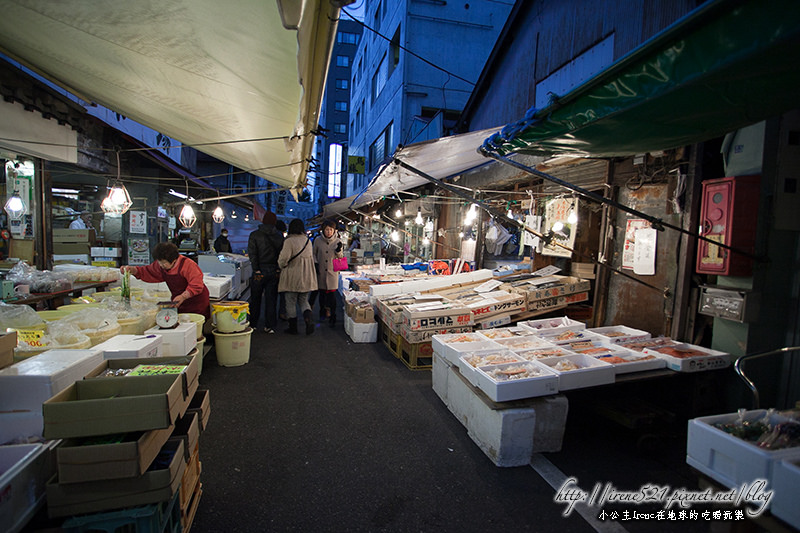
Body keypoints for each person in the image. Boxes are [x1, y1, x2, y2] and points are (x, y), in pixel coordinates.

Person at [120, 242, 210, 319]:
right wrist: (133, 270)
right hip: (178, 302)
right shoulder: (160, 265)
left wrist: (183, 296)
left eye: (164, 263)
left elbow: (197, 285)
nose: (161, 265)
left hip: (196, 303)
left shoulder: (188, 265)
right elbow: (148, 272)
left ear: (174, 260)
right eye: (159, 262)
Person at [277, 218, 318, 335]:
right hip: (306, 276)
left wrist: (281, 266)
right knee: (304, 301)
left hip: (292, 275)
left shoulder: (289, 241)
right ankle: (308, 319)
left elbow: (283, 259)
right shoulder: (307, 241)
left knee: (290, 301)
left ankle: (293, 327)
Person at [248, 211, 283, 333]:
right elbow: (281, 255)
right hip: (274, 271)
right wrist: (278, 268)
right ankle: (270, 326)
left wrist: (256, 269)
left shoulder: (254, 235)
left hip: (259, 272)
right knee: (271, 299)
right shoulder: (279, 236)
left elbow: (252, 254)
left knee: (255, 299)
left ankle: (253, 324)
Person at [313, 219, 342, 327]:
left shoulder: (338, 241)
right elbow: (314, 254)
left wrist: (338, 251)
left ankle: (333, 315)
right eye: (326, 229)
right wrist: (315, 263)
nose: (328, 232)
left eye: (331, 230)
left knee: (332, 296)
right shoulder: (317, 240)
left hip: (332, 272)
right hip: (320, 271)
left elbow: (341, 258)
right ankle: (322, 312)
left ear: (334, 230)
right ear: (323, 230)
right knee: (322, 295)